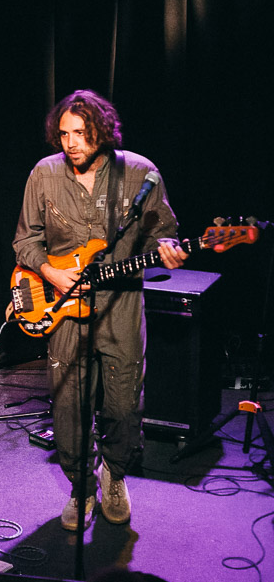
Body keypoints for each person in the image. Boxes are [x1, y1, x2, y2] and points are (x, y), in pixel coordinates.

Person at [12, 90, 187, 531]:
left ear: (102, 133)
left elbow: (162, 234)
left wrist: (168, 249)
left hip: (122, 305)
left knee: (125, 403)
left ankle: (114, 475)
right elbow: (25, 241)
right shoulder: (44, 174)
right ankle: (81, 487)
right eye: (65, 134)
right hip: (65, 307)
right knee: (69, 404)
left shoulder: (140, 172)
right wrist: (50, 272)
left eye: (82, 134)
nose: (71, 143)